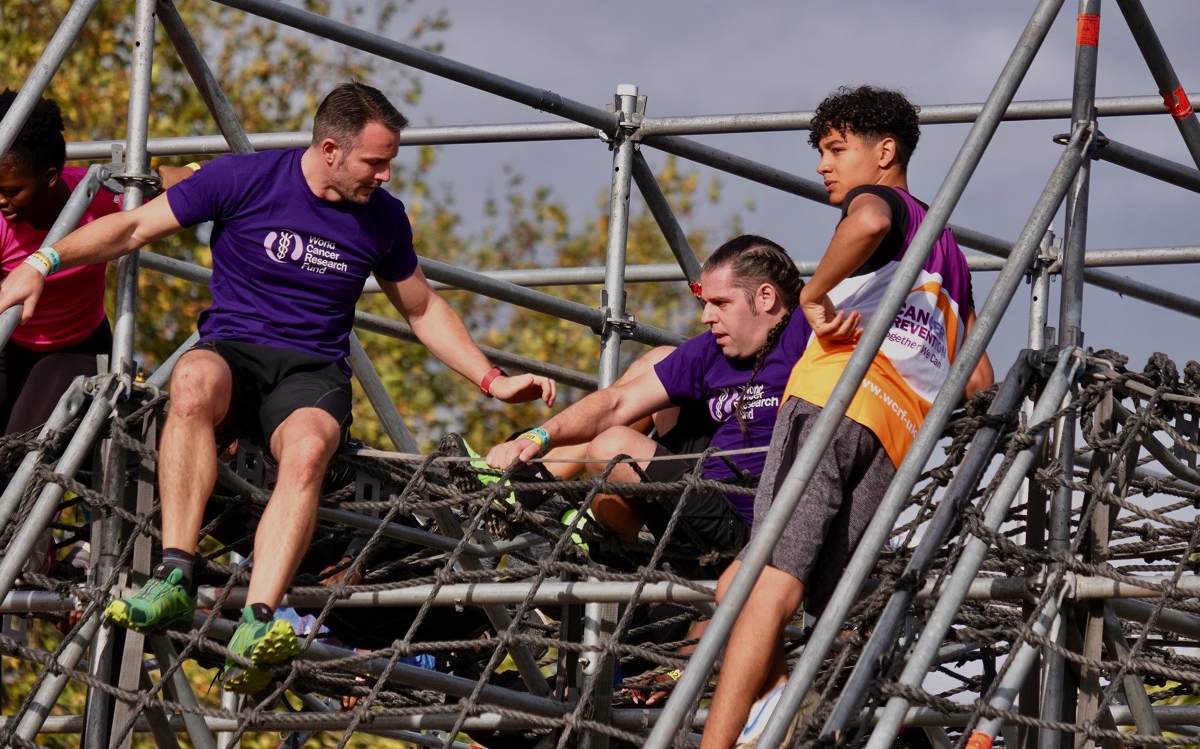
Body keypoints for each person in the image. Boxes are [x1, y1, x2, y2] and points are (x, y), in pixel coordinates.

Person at [0, 81, 556, 696]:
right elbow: (130, 229)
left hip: (311, 372)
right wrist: (41, 264)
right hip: (233, 354)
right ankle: (175, 575)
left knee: (312, 446)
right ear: (330, 149)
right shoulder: (243, 179)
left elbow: (421, 309)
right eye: (375, 161)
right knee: (189, 380)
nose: (385, 174)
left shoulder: (383, 217)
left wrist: (492, 379)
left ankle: (260, 619)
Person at [701, 86, 995, 748]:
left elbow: (864, 223)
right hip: (894, 437)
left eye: (837, 149)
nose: (823, 166)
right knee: (816, 597)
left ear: (884, 151)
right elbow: (978, 379)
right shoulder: (947, 252)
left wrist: (811, 292)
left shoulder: (885, 204)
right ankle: (780, 698)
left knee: (761, 585)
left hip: (834, 402)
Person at [487, 234, 811, 580]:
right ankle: (534, 481)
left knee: (612, 448)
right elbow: (617, 402)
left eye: (721, 303)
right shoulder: (712, 351)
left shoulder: (806, 331)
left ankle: (606, 539)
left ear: (766, 296)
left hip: (750, 531)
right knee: (659, 360)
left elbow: (865, 241)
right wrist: (538, 437)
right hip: (696, 499)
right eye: (705, 302)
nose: (706, 316)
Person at [0, 90, 121, 440]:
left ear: (50, 177)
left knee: (16, 458)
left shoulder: (97, 195)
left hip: (77, 347)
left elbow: (177, 189)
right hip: (10, 343)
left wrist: (187, 169)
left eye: (12, 190)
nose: (1, 200)